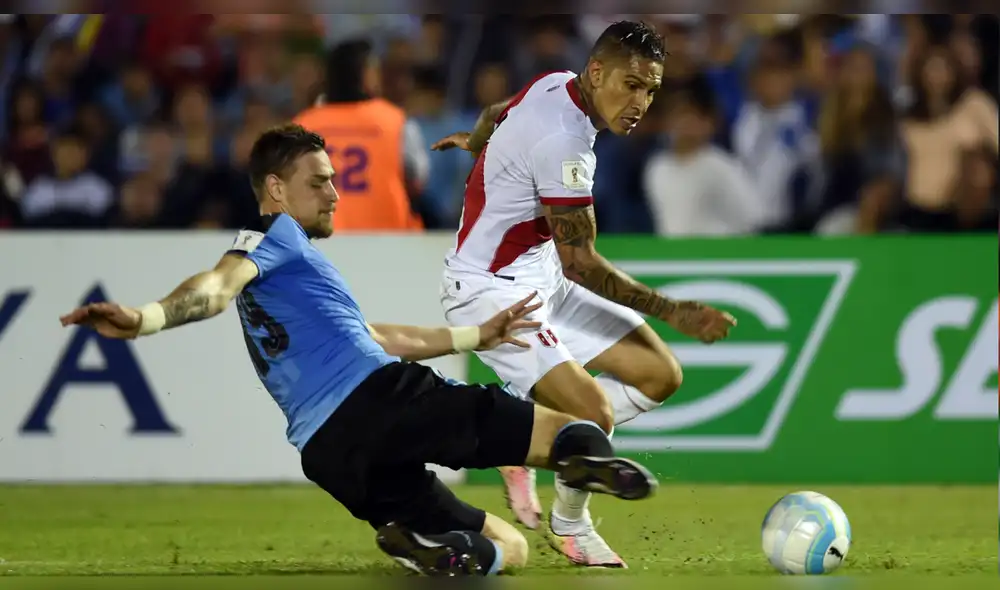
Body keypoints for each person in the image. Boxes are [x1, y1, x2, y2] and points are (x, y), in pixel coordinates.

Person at [57, 124, 658, 577]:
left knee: (509, 549)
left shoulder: (291, 273)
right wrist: (145, 318)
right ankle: (581, 466)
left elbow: (375, 337)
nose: (334, 195)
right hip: (381, 400)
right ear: (274, 188)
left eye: (333, 181)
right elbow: (215, 286)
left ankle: (430, 548)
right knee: (577, 429)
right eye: (318, 182)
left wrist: (477, 336)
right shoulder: (270, 239)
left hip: (329, 453)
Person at [432, 21, 736, 568]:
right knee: (594, 412)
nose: (640, 102)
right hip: (492, 293)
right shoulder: (566, 141)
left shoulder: (556, 82)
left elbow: (500, 110)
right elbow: (582, 262)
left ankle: (525, 437)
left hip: (540, 275)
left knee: (659, 375)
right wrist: (675, 312)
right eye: (631, 84)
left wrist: (479, 145)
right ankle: (569, 523)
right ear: (596, 73)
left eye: (650, 89)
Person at [294, 39, 428, 232]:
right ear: (364, 75)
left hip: (321, 245)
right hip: (389, 244)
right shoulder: (395, 121)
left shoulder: (303, 124)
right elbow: (418, 181)